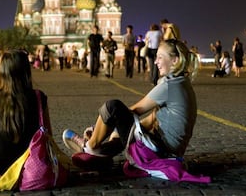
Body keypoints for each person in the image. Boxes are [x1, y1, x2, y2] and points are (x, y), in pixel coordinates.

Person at [62, 39, 200, 168]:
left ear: (175, 61)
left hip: (160, 152)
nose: (156, 62)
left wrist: (102, 127)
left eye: (160, 57)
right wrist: (115, 129)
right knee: (126, 131)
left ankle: (89, 146)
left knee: (112, 107)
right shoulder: (182, 82)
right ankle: (102, 152)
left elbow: (135, 110)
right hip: (170, 152)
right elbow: (152, 118)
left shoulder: (169, 85)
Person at [0, 49, 53, 186]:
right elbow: (48, 135)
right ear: (26, 72)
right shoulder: (38, 97)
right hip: (32, 173)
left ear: (2, 72)